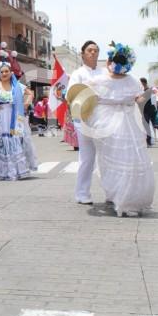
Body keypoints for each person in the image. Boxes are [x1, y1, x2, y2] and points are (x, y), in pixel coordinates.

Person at [84, 42, 154, 217]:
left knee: (119, 159)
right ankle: (119, 195)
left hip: (113, 123)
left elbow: (84, 98)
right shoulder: (129, 81)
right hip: (119, 124)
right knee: (125, 159)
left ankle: (122, 197)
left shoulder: (102, 80)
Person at [0, 61, 38, 180]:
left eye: (6, 71)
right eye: (2, 72)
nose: (4, 73)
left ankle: (17, 170)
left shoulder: (17, 86)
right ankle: (1, 171)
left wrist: (26, 103)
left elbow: (30, 93)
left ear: (11, 72)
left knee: (16, 141)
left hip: (14, 118)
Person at [66, 40, 104, 205]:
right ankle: (82, 193)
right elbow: (71, 95)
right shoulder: (78, 74)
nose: (93, 53)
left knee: (107, 157)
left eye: (96, 50)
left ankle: (111, 192)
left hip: (104, 119)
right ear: (83, 54)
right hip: (85, 119)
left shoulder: (104, 73)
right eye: (89, 50)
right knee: (87, 158)